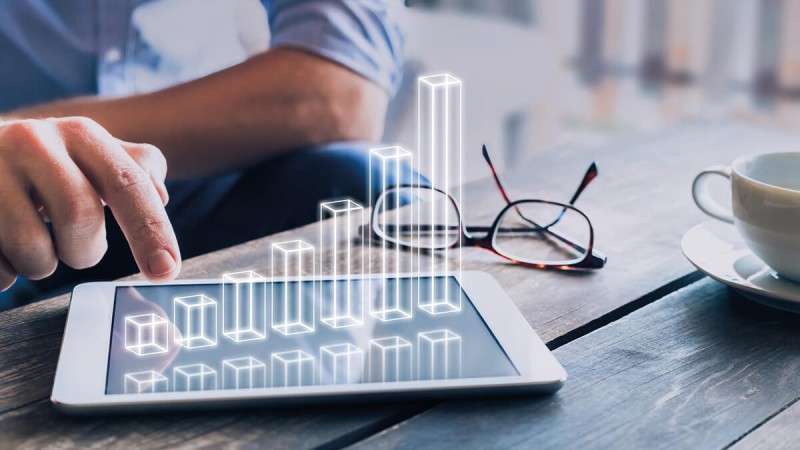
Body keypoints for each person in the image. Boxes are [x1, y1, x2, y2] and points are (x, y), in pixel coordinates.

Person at [0, 0, 413, 308]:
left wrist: (65, 141)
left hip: (206, 186)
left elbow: (341, 92)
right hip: (9, 197)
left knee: (371, 183)